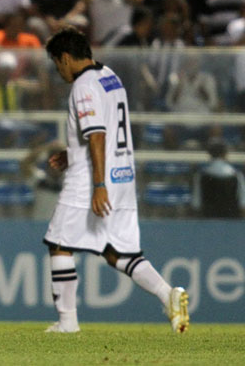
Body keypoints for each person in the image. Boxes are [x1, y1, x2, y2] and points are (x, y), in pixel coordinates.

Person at [43, 27, 189, 334]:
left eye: (58, 63)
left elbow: (97, 133)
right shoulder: (109, 76)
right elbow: (106, 129)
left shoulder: (83, 85)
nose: (59, 71)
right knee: (116, 253)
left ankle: (67, 323)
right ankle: (168, 295)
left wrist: (98, 185)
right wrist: (72, 153)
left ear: (66, 57)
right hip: (122, 176)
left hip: (93, 181)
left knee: (59, 244)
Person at [192, 139, 245, 218]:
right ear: (225, 154)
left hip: (208, 222)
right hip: (232, 222)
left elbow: (196, 204)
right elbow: (242, 203)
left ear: (210, 154)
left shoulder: (201, 176)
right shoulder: (237, 175)